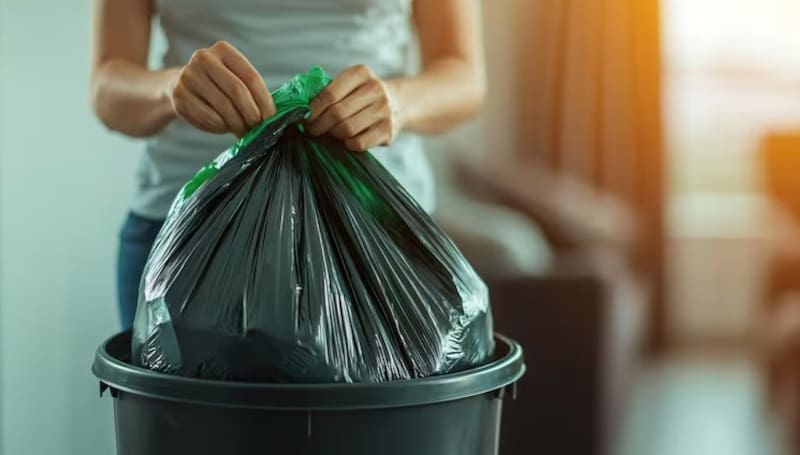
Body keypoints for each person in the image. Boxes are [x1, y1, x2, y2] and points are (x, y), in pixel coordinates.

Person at [90, 0, 486, 330]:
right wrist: (170, 89)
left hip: (374, 231)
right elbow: (107, 86)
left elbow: (465, 77)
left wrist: (398, 103)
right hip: (188, 228)